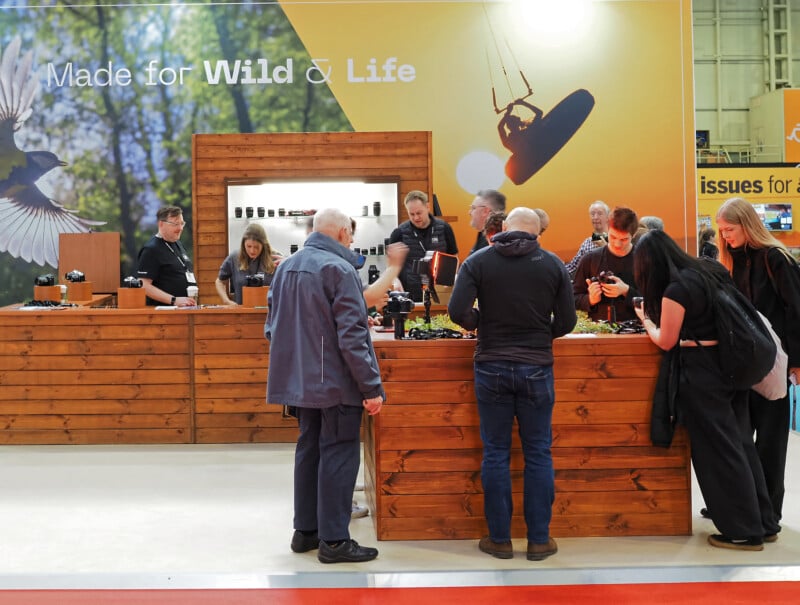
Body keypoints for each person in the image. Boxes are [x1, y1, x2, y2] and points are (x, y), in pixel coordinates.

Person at [632, 229, 780, 551]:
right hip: (732, 366)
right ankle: (764, 523)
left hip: (702, 374)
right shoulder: (707, 271)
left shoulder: (676, 290)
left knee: (719, 453)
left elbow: (666, 340)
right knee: (741, 445)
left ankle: (743, 532)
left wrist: (646, 320)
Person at [448, 207, 577, 562]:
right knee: (538, 452)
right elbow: (567, 321)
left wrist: (479, 321)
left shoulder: (478, 262)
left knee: (496, 452)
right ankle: (539, 541)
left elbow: (457, 311)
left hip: (491, 366)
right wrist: (541, 334)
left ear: (504, 227)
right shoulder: (552, 264)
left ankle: (500, 540)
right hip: (537, 367)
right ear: (537, 232)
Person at [265, 207, 384, 564]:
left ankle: (306, 531)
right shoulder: (340, 269)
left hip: (300, 382)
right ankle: (334, 540)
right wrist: (371, 387)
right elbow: (352, 337)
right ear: (343, 233)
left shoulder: (286, 267)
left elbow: (271, 328)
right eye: (350, 233)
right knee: (339, 453)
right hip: (335, 382)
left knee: (309, 450)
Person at [716, 197, 800, 525]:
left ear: (747, 224)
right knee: (738, 441)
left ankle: (769, 514)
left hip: (776, 364)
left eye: (730, 229)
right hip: (742, 365)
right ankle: (743, 506)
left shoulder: (775, 259)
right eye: (722, 231)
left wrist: (797, 361)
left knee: (770, 444)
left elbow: (796, 311)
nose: (725, 236)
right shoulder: (729, 262)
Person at [573, 206, 640, 323]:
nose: (617, 244)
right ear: (607, 230)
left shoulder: (644, 260)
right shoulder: (590, 259)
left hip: (637, 328)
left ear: (633, 236)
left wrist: (627, 291)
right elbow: (573, 298)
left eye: (624, 239)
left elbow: (656, 301)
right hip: (600, 329)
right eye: (613, 237)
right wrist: (590, 299)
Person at [389, 190, 457, 302]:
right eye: (411, 214)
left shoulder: (445, 228)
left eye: (419, 213)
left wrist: (451, 277)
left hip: (439, 291)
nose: (416, 218)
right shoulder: (399, 233)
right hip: (410, 294)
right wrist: (395, 280)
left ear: (427, 207)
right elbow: (391, 265)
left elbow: (454, 256)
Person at [136, 206, 197, 307]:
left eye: (182, 223)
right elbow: (143, 285)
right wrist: (174, 300)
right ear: (161, 224)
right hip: (164, 311)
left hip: (185, 308)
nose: (180, 228)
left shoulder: (178, 244)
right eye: (175, 224)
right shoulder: (151, 249)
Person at [215, 224, 277, 305]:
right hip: (241, 311)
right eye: (249, 246)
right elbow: (220, 281)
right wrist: (227, 301)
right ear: (243, 244)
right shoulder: (234, 257)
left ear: (263, 245)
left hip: (269, 311)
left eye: (256, 247)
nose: (252, 251)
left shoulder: (276, 258)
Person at [564, 200, 609, 276]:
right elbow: (572, 267)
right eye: (592, 214)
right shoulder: (586, 243)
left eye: (599, 214)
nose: (595, 217)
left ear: (608, 217)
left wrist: (605, 248)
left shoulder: (616, 240)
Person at [467, 189, 506, 255]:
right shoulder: (485, 234)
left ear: (485, 211)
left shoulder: (495, 241)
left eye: (473, 208)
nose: (469, 212)